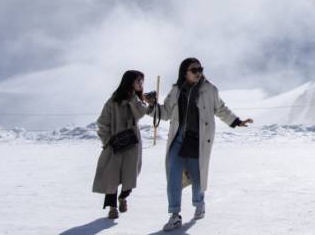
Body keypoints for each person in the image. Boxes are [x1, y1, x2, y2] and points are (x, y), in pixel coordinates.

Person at [154, 58, 253, 231]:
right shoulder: (176, 90)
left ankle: (199, 203)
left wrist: (237, 121)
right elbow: (165, 113)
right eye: (194, 70)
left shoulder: (209, 90)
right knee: (173, 177)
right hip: (178, 140)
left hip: (198, 140)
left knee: (197, 176)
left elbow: (221, 109)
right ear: (185, 72)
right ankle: (174, 215)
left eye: (200, 69)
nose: (198, 72)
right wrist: (151, 106)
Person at [93, 70, 155, 219]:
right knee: (112, 177)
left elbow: (141, 113)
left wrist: (139, 99)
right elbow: (102, 122)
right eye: (138, 81)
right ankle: (112, 208)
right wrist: (107, 141)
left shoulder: (136, 99)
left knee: (130, 175)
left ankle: (123, 197)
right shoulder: (113, 101)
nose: (141, 84)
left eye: (142, 81)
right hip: (115, 144)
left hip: (132, 144)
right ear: (129, 82)